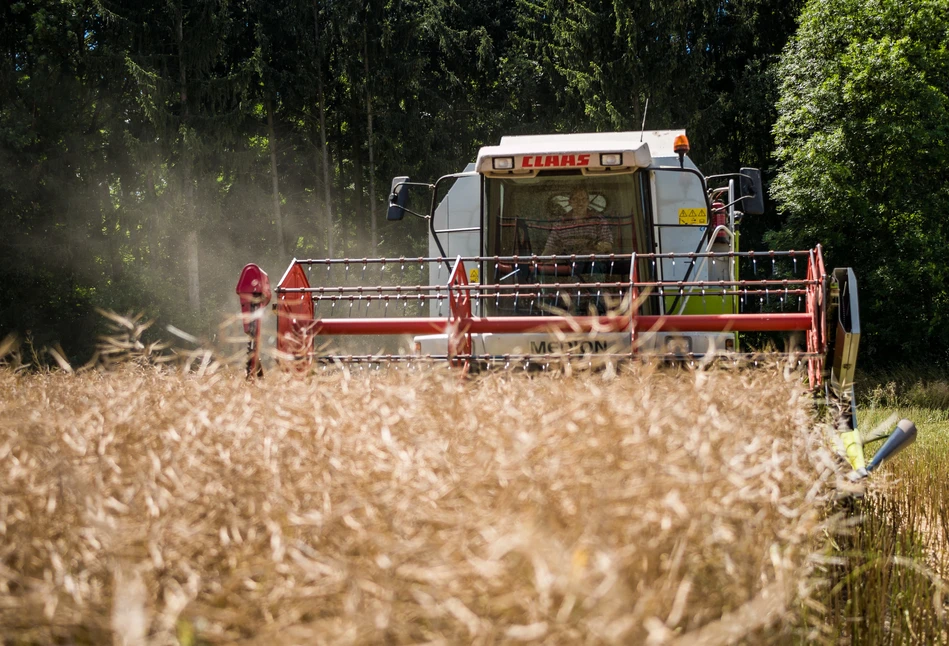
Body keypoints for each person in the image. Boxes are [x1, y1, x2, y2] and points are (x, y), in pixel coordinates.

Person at [541, 185, 613, 257]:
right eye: (576, 199)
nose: (580, 203)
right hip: (567, 260)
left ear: (588, 202)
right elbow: (550, 246)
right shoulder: (560, 223)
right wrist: (541, 259)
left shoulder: (598, 220)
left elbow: (608, 244)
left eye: (583, 199)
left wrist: (598, 246)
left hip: (593, 260)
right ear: (570, 202)